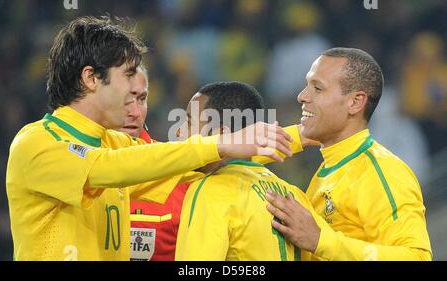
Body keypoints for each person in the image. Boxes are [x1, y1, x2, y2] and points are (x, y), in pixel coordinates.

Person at [5, 16, 293, 261]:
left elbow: (177, 160)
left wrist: (301, 135)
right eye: (127, 75)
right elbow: (105, 168)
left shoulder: (115, 146)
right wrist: (219, 143)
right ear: (91, 78)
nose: (135, 89)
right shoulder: (37, 143)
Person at [265, 47, 432, 260]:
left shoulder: (382, 171)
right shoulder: (329, 169)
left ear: (355, 102)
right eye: (307, 85)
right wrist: (300, 135)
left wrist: (320, 241)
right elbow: (224, 159)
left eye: (318, 88)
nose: (302, 96)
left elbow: (417, 257)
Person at [174, 81, 327, 261]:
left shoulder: (211, 191)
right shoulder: (295, 195)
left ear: (220, 134)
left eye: (189, 122)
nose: (178, 132)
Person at [115, 67, 191, 261]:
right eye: (124, 100)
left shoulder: (181, 171)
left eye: (141, 100)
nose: (134, 112)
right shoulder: (72, 166)